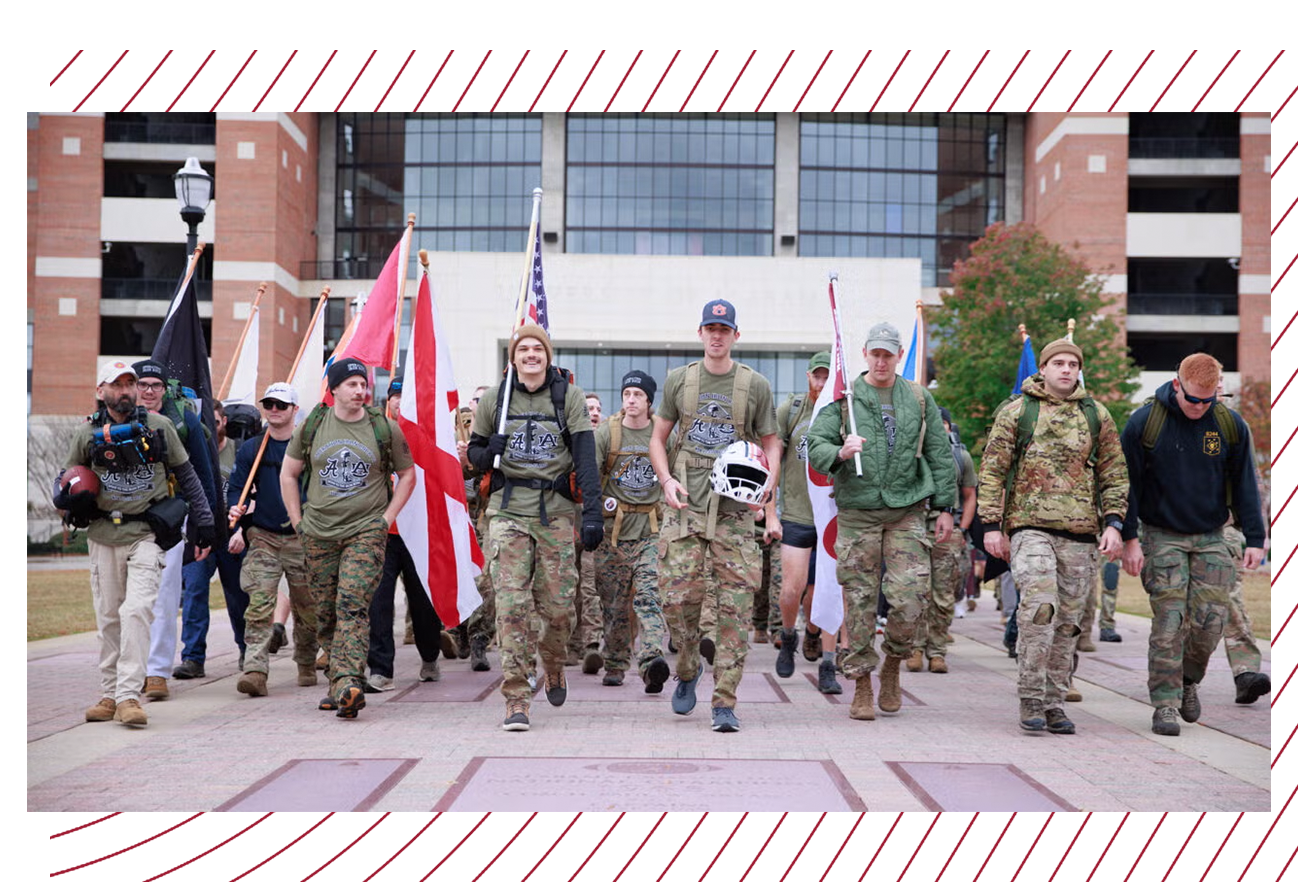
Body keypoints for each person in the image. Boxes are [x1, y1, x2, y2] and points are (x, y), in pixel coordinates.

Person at [807, 322, 956, 722]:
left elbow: (941, 456)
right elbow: (815, 445)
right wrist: (840, 452)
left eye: (888, 354)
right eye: (875, 353)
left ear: (898, 356)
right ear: (865, 354)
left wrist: (945, 508)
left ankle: (892, 663)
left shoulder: (919, 398)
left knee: (910, 598)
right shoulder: (845, 400)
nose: (881, 360)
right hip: (858, 512)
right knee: (858, 602)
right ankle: (860, 683)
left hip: (907, 510)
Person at [978, 338, 1127, 735]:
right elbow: (992, 469)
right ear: (1042, 369)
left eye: (1072, 363)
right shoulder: (1018, 412)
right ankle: (1030, 696)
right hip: (1030, 529)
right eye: (1057, 363)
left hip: (1080, 534)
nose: (1065, 369)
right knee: (1041, 608)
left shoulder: (1097, 415)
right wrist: (991, 526)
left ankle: (1055, 701)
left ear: (1079, 370)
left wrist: (1114, 523)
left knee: (1069, 624)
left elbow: (1114, 474)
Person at [649, 299, 780, 734]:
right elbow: (657, 438)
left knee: (735, 611)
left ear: (735, 335)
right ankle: (687, 666)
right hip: (686, 508)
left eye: (724, 329)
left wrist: (768, 487)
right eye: (710, 327)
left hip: (735, 514)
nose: (717, 335)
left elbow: (771, 442)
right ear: (700, 333)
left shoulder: (754, 385)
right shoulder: (679, 381)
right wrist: (666, 480)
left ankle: (725, 702)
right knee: (675, 600)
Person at [467, 325, 604, 732]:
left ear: (547, 355)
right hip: (508, 513)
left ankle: (554, 660)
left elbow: (585, 459)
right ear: (513, 357)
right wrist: (486, 450)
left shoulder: (568, 397)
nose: (531, 354)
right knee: (511, 608)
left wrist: (593, 513)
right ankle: (516, 696)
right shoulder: (497, 398)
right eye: (523, 349)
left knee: (560, 609)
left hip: (556, 514)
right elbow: (474, 454)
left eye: (537, 349)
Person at [1120, 352, 1265, 736]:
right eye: (1192, 399)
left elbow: (1246, 484)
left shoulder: (1230, 425)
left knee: (1211, 622)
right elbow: (1125, 487)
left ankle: (1187, 681)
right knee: (1170, 622)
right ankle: (1165, 703)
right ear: (1176, 385)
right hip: (1161, 533)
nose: (1200, 407)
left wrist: (1255, 538)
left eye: (1208, 400)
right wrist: (1129, 538)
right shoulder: (1143, 423)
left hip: (1212, 535)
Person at [63, 360, 214, 727]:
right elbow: (68, 480)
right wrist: (70, 506)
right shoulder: (86, 433)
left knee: (137, 611)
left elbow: (187, 474)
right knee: (110, 619)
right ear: (102, 392)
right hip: (102, 537)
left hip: (146, 534)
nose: (126, 390)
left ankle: (129, 697)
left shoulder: (160, 427)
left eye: (130, 383)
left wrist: (205, 521)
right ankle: (109, 693)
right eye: (118, 385)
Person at [280, 358, 416, 719]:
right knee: (324, 613)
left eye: (363, 384)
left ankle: (349, 682)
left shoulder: (383, 428)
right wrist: (299, 522)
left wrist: (384, 520)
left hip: (364, 533)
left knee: (352, 605)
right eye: (352, 384)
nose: (360, 391)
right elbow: (289, 474)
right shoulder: (312, 426)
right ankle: (336, 683)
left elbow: (408, 475)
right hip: (319, 533)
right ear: (335, 389)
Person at [132, 358, 220, 702]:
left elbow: (202, 470)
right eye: (142, 384)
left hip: (168, 516)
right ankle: (129, 669)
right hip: (121, 518)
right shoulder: (110, 418)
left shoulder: (183, 419)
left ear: (164, 389)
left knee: (164, 597)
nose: (148, 391)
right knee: (127, 601)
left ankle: (156, 671)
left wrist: (204, 525)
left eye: (155, 385)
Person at [227, 383, 320, 697]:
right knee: (259, 604)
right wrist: (235, 511)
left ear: (295, 410)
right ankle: (255, 669)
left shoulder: (309, 447)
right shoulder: (253, 449)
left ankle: (307, 661)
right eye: (269, 404)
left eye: (281, 405)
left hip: (302, 538)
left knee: (308, 608)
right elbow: (236, 487)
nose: (274, 410)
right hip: (263, 537)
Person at [365, 379, 447, 690]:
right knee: (379, 602)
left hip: (417, 531)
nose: (401, 402)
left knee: (422, 603)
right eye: (396, 396)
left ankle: (429, 656)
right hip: (382, 531)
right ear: (388, 400)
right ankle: (381, 668)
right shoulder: (375, 432)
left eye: (406, 397)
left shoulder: (427, 435)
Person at [594, 370, 671, 692]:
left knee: (649, 597)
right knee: (613, 606)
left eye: (638, 394)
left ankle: (652, 660)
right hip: (613, 533)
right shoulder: (607, 434)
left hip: (651, 531)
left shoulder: (661, 433)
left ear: (649, 401)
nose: (631, 400)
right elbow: (589, 478)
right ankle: (614, 662)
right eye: (627, 394)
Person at [773, 351, 842, 694]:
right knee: (791, 589)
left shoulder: (845, 414)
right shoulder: (792, 411)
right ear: (808, 377)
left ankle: (828, 662)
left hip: (832, 516)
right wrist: (769, 510)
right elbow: (773, 458)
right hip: (797, 513)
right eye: (817, 376)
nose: (822, 383)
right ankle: (788, 636)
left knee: (829, 590)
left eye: (828, 376)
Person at [175, 400, 249, 680]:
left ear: (224, 422)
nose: (210, 430)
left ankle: (246, 648)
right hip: (199, 533)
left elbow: (248, 494)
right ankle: (193, 658)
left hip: (232, 534)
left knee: (238, 594)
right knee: (194, 590)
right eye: (205, 425)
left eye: (215, 424)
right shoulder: (193, 451)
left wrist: (242, 530)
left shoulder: (239, 452)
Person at [909, 407, 977, 675]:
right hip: (914, 527)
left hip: (947, 531)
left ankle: (936, 652)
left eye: (943, 424)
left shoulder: (960, 456)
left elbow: (970, 495)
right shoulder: (911, 454)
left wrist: (963, 527)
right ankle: (914, 648)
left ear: (949, 427)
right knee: (914, 591)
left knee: (943, 595)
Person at [569, 392, 607, 672]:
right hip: (568, 522)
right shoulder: (570, 440)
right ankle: (571, 646)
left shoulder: (607, 441)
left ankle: (592, 644)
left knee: (590, 585)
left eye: (597, 408)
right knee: (569, 588)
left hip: (595, 523)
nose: (593, 413)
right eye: (588, 408)